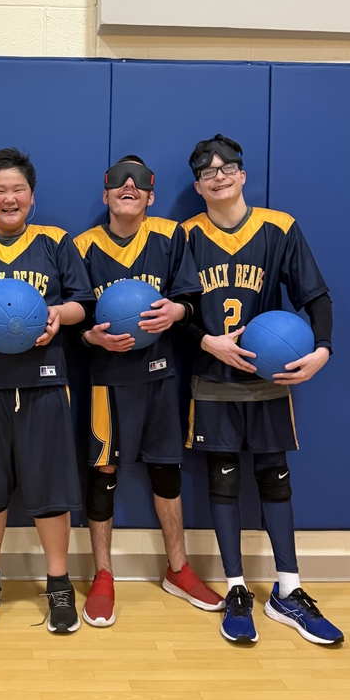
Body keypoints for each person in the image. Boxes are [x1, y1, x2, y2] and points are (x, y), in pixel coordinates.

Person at [182, 133, 343, 645]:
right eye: (208, 172)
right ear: (198, 185)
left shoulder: (280, 228)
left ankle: (288, 590)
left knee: (275, 478)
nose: (219, 175)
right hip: (213, 380)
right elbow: (175, 310)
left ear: (243, 174)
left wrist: (321, 351)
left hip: (270, 381)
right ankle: (235, 588)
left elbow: (315, 296)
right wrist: (208, 342)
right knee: (223, 481)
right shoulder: (184, 235)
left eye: (227, 167)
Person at [0, 148, 93, 634]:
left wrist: (57, 316)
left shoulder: (54, 241)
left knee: (50, 490)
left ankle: (59, 584)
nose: (10, 198)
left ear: (31, 196)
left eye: (18, 190)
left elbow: (82, 303)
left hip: (44, 381)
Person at [74, 156, 224, 627]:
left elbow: (188, 298)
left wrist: (176, 315)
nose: (129, 186)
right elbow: (73, 317)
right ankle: (103, 574)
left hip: (159, 373)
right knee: (103, 473)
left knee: (167, 470)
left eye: (140, 183)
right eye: (119, 181)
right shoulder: (82, 246)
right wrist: (91, 337)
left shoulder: (169, 235)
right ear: (105, 193)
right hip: (105, 377)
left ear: (151, 195)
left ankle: (177, 568)